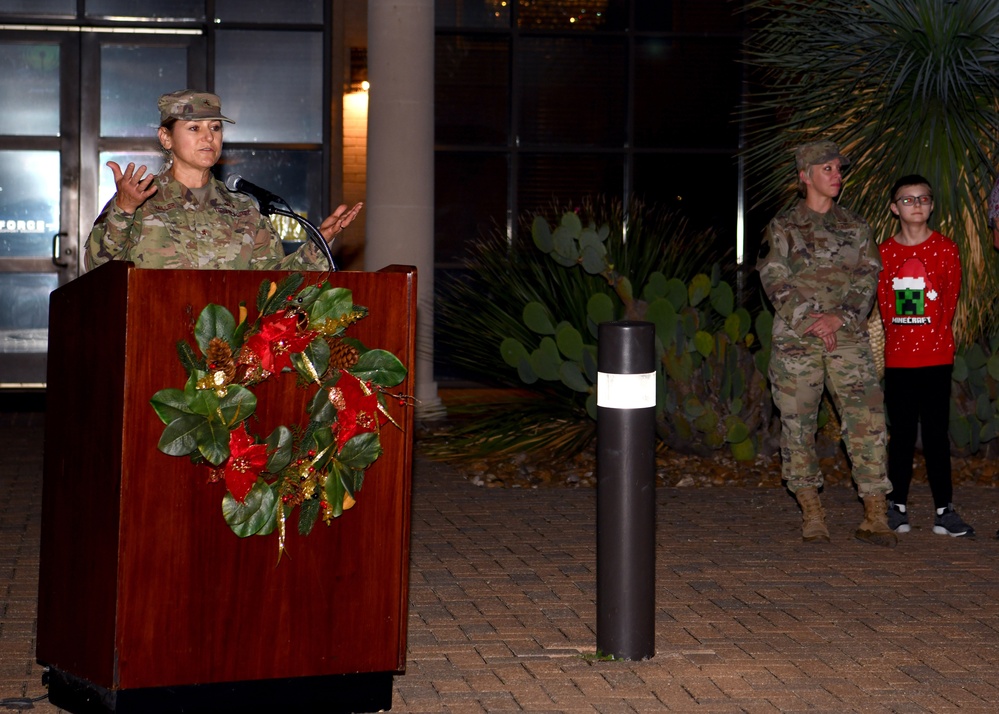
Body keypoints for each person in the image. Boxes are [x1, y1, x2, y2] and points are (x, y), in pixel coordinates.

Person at [757, 139, 896, 547]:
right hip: (797, 340)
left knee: (868, 422)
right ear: (805, 176)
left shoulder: (855, 227)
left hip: (848, 338)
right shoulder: (782, 227)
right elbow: (773, 278)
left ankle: (875, 513)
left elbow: (868, 277)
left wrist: (842, 316)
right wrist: (811, 321)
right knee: (798, 425)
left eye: (839, 169)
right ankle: (812, 512)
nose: (837, 176)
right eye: (828, 169)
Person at [85, 89, 362, 271]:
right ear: (166, 137)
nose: (208, 137)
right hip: (154, 343)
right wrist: (124, 211)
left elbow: (275, 283)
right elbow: (96, 268)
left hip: (228, 355)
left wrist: (321, 241)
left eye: (215, 128)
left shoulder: (244, 210)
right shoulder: (138, 200)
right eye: (194, 128)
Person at [878, 175, 972, 537]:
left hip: (935, 356)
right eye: (907, 199)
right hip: (899, 358)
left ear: (931, 206)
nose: (915, 205)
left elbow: (948, 302)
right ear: (894, 207)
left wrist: (934, 339)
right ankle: (896, 506)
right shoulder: (885, 253)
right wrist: (900, 338)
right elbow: (886, 305)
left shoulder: (946, 249)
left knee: (935, 434)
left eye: (922, 199)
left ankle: (944, 510)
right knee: (900, 433)